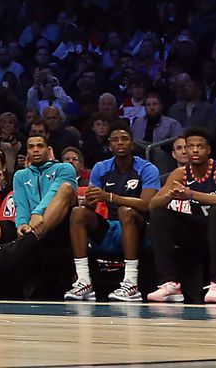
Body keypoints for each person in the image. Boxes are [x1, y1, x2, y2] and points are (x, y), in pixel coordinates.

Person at [66, 119, 161, 302]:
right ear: (109, 145)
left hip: (141, 228)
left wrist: (109, 197)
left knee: (126, 211)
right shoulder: (101, 168)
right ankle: (84, 281)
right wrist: (88, 201)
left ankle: (131, 283)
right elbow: (92, 203)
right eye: (115, 140)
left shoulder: (147, 169)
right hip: (111, 228)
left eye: (124, 139)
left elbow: (146, 204)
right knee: (78, 213)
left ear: (132, 144)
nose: (120, 143)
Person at [0, 132, 79, 297]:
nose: (35, 150)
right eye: (31, 147)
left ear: (49, 149)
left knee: (65, 188)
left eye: (40, 146)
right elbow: (21, 203)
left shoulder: (64, 168)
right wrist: (22, 224)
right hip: (30, 225)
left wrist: (38, 213)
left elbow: (54, 192)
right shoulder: (20, 175)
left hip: (59, 226)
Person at [146, 127, 216, 305]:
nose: (195, 150)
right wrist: (169, 195)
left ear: (209, 150)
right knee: (159, 215)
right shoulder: (180, 173)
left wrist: (191, 194)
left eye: (200, 146)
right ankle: (170, 284)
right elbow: (152, 205)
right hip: (199, 230)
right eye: (190, 146)